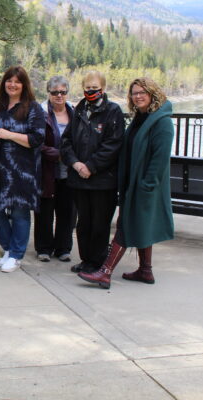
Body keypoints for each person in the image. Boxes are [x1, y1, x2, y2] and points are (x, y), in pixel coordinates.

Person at [79, 78, 174, 289]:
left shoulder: (162, 122)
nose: (138, 96)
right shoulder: (141, 118)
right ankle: (145, 270)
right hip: (133, 183)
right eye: (134, 93)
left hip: (146, 186)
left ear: (152, 94)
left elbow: (159, 161)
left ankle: (105, 272)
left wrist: (146, 186)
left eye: (142, 92)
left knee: (125, 226)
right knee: (141, 225)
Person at [60, 70, 125, 274]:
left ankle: (97, 262)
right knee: (83, 223)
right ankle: (86, 259)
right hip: (79, 178)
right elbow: (66, 141)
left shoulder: (113, 111)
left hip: (103, 181)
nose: (90, 91)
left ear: (103, 89)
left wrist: (91, 166)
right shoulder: (79, 109)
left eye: (94, 87)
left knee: (100, 224)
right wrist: (76, 164)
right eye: (87, 87)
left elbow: (112, 145)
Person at [0, 65, 46, 273]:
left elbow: (37, 138)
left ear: (24, 85)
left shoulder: (33, 108)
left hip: (22, 170)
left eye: (17, 81)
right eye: (9, 81)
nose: (12, 85)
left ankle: (17, 254)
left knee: (20, 212)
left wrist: (8, 134)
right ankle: (9, 249)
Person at [33, 75, 77, 263]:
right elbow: (35, 141)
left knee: (67, 212)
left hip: (69, 173)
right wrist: (58, 155)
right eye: (55, 92)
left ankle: (63, 248)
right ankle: (44, 248)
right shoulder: (40, 113)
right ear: (48, 93)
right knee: (44, 211)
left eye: (62, 92)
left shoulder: (75, 113)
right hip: (46, 171)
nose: (59, 96)